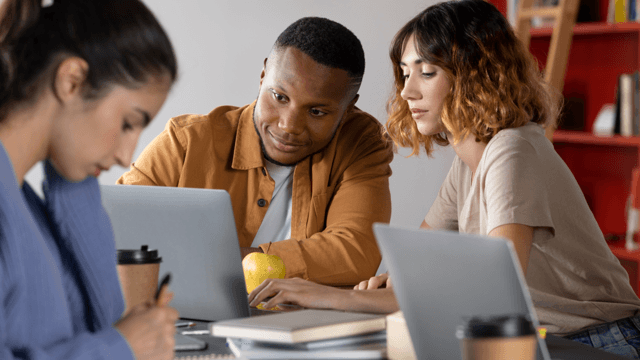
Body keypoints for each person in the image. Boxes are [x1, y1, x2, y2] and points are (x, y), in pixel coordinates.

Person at [248, 0, 640, 357]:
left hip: (597, 341)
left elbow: (491, 295)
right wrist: (387, 284)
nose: (407, 92)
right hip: (536, 339)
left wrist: (330, 297)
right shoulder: (468, 162)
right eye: (404, 74)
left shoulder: (512, 151)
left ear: (478, 74)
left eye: (427, 72)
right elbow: (416, 271)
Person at [117, 17, 394, 286]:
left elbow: (356, 251)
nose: (289, 126)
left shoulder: (361, 142)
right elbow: (113, 229)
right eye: (279, 97)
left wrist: (234, 264)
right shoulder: (185, 141)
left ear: (348, 108)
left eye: (317, 111)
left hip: (295, 328)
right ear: (263, 76)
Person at [0, 0, 180, 359]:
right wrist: (123, 345)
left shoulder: (30, 206)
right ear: (72, 81)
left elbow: (97, 325)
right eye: (128, 123)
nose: (127, 157)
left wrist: (74, 191)